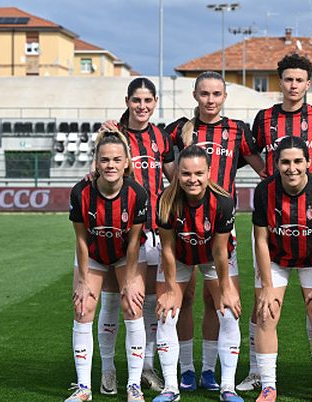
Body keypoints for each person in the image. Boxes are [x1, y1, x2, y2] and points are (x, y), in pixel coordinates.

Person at [165, 71, 265, 392]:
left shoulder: (237, 131)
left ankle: (209, 370)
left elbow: (263, 168)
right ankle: (184, 369)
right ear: (195, 95)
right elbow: (151, 150)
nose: (210, 100)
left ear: (224, 97)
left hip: (220, 225)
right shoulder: (179, 130)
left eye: (216, 94)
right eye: (204, 94)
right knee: (185, 298)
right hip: (181, 224)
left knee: (217, 301)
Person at [239, 53, 312, 392]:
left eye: (300, 80)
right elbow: (248, 150)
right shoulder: (265, 118)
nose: (293, 85)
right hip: (274, 216)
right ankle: (259, 376)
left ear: (309, 84)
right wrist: (266, 175)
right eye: (288, 79)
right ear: (281, 82)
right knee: (263, 304)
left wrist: (304, 173)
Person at [97, 77, 176, 395]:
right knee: (114, 300)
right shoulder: (113, 134)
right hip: (118, 231)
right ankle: (107, 369)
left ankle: (145, 367)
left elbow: (174, 178)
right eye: (136, 101)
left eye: (148, 101)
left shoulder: (162, 137)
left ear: (155, 102)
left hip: (154, 231)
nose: (142, 107)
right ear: (127, 101)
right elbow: (96, 173)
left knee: (149, 304)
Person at [251, 136, 312, 402]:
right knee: (265, 314)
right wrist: (266, 286)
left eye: (298, 161)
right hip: (277, 257)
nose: (292, 168)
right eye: (285, 162)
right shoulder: (264, 190)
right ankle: (268, 387)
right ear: (276, 164)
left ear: (309, 162)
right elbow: (261, 240)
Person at [152, 145, 241, 402]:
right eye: (186, 174)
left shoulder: (223, 201)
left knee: (227, 311)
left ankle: (226, 386)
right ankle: (174, 384)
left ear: (209, 172)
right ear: (178, 174)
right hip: (179, 255)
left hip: (215, 255)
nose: (193, 179)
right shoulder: (166, 201)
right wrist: (170, 290)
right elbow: (167, 249)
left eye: (199, 173)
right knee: (167, 313)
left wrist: (225, 289)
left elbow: (220, 250)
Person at [66, 128, 149, 402]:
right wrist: (81, 279)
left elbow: (135, 241)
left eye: (116, 159)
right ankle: (83, 388)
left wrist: (131, 279)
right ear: (96, 162)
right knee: (83, 306)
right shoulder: (80, 192)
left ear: (126, 162)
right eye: (104, 160)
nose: (110, 165)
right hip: (93, 254)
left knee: (132, 303)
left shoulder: (137, 193)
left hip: (126, 254)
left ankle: (134, 386)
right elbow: (80, 239)